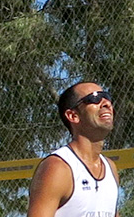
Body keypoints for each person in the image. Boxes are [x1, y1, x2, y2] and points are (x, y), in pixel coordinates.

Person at [28, 82, 119, 217]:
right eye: (94, 98)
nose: (106, 103)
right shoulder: (58, 167)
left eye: (107, 97)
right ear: (73, 116)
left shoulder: (110, 168)